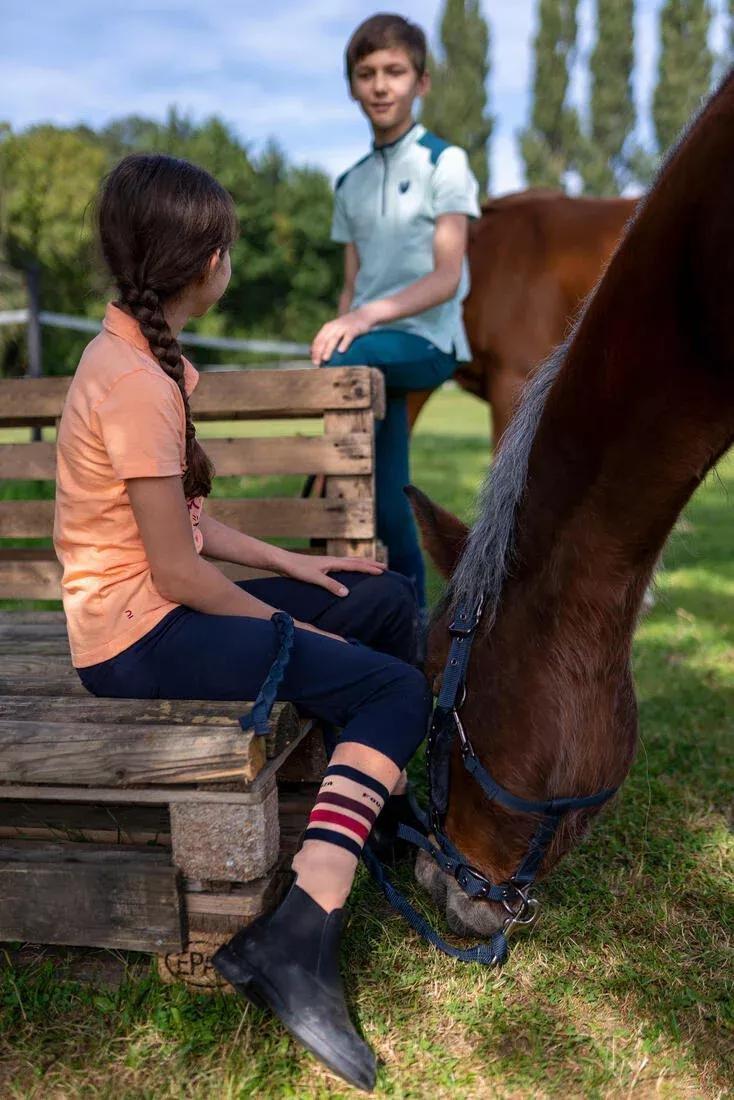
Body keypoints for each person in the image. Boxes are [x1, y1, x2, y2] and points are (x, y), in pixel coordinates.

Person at [53, 153, 433, 1092]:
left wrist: (300, 567)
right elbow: (180, 575)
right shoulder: (136, 381)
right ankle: (297, 938)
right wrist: (298, 637)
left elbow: (184, 528)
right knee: (391, 682)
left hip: (162, 608)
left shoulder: (145, 361)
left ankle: (362, 808)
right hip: (135, 641)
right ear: (208, 260)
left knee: (377, 597)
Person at [311, 13, 481, 609]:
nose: (381, 85)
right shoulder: (348, 184)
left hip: (428, 343)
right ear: (353, 85)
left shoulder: (445, 161)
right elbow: (350, 287)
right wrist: (340, 326)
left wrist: (360, 322)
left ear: (422, 82)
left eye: (395, 71)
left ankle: (312, 492)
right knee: (386, 506)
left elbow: (446, 277)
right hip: (371, 353)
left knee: (351, 352)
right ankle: (409, 627)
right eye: (366, 74)